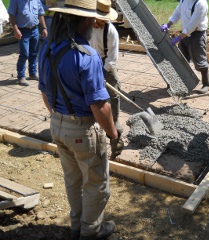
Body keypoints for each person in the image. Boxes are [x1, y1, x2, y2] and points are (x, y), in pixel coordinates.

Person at [38, 0, 124, 239]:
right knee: (96, 183)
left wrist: (60, 115)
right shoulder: (87, 56)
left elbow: (44, 93)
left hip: (57, 125)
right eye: (93, 20)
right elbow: (99, 106)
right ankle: (91, 231)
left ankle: (77, 226)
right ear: (85, 21)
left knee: (73, 180)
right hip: (82, 131)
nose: (94, 24)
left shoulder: (47, 48)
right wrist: (112, 133)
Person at [160, 0, 209, 94]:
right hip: (184, 35)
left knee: (199, 60)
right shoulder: (184, 0)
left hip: (197, 35)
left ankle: (206, 84)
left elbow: (192, 25)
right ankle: (179, 83)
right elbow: (177, 13)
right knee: (181, 59)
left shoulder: (201, 4)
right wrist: (169, 24)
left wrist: (178, 38)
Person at [89, 0, 123, 133]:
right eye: (98, 20)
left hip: (106, 61)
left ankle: (115, 120)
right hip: (90, 60)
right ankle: (92, 119)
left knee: (114, 92)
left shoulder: (111, 31)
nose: (99, 23)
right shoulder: (87, 25)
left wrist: (103, 71)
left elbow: (112, 57)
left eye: (103, 21)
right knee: (90, 91)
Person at [8, 0, 48, 86]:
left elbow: (40, 14)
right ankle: (21, 76)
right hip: (22, 31)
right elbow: (11, 15)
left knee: (34, 53)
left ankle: (33, 73)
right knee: (24, 54)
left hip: (34, 30)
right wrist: (15, 30)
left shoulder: (36, 0)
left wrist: (44, 28)